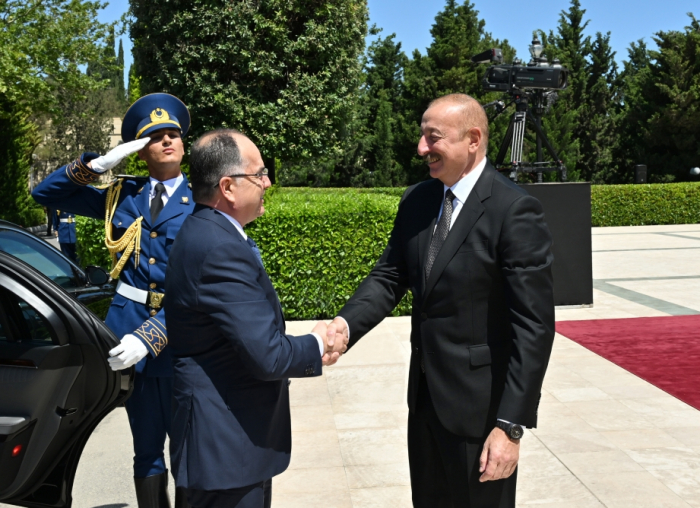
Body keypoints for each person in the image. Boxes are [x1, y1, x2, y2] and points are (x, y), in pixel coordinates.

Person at [327, 93, 555, 507]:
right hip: (427, 404)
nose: (421, 148)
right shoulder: (418, 200)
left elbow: (534, 327)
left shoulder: (515, 210)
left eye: (433, 137)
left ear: (473, 139)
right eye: (421, 136)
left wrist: (511, 426)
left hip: (482, 418)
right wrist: (346, 325)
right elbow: (390, 275)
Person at [164, 129, 347, 508]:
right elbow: (269, 356)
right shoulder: (218, 248)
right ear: (228, 187)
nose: (267, 182)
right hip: (223, 449)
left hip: (230, 444)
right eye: (259, 174)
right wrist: (318, 342)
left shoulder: (210, 231)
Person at [32, 93, 194, 508]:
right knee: (145, 450)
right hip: (129, 336)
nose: (167, 140)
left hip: (186, 342)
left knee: (189, 451)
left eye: (173, 133)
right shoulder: (119, 196)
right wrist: (97, 166)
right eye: (154, 136)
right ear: (139, 151)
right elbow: (45, 195)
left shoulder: (203, 200)